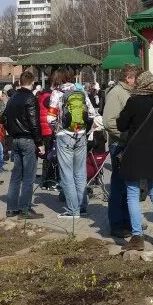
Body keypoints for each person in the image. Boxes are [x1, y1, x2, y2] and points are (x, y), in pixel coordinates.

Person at [116, 70, 153, 250]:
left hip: (135, 152)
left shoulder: (133, 101)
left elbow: (121, 124)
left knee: (132, 193)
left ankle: (137, 237)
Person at [48, 68, 97, 219]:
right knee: (80, 173)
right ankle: (82, 207)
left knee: (67, 174)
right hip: (81, 136)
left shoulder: (57, 93)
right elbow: (91, 114)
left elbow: (50, 118)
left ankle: (72, 210)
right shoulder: (81, 92)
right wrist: (84, 130)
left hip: (64, 136)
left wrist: (57, 128)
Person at [1, 71, 44, 219]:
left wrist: (12, 131)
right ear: (32, 83)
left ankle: (11, 208)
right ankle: (25, 208)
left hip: (16, 139)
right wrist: (40, 142)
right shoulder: (30, 98)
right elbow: (34, 122)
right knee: (28, 176)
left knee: (16, 175)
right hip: (27, 139)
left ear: (20, 82)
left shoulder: (12, 98)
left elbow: (4, 117)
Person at [103, 65, 137, 237]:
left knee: (127, 185)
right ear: (128, 78)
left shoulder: (128, 92)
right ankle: (117, 224)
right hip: (119, 144)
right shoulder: (116, 93)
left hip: (127, 144)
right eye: (135, 78)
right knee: (118, 185)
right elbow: (109, 121)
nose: (137, 81)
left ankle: (128, 221)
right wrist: (127, 135)